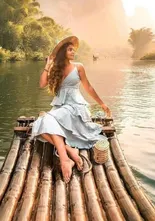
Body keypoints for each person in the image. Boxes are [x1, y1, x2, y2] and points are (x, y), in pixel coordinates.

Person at [31, 36, 111, 183]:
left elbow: (88, 87)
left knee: (45, 121)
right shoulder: (55, 69)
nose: (73, 52)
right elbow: (42, 84)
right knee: (40, 124)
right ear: (63, 52)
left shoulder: (79, 67)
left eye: (73, 50)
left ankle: (64, 159)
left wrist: (102, 104)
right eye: (69, 50)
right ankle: (69, 150)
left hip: (76, 108)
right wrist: (48, 65)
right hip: (60, 108)